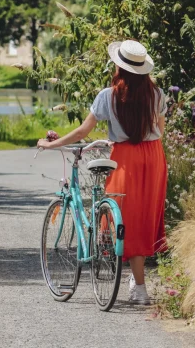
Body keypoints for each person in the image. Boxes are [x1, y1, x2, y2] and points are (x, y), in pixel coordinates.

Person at [37, 40, 168, 305]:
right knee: (143, 216)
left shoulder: (108, 96)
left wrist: (51, 143)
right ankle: (137, 280)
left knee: (125, 217)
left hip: (126, 158)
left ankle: (139, 287)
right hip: (153, 156)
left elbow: (83, 132)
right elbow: (160, 131)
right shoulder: (157, 95)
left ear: (119, 67)